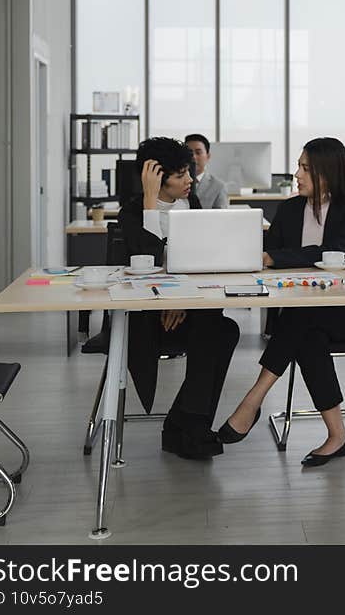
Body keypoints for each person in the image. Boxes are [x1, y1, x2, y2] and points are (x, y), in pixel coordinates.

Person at [218, 137, 345, 467]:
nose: (297, 174)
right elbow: (267, 253)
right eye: (298, 166)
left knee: (301, 320)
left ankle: (253, 399)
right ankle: (338, 436)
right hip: (302, 313)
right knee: (307, 335)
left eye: (305, 168)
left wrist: (275, 258)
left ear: (328, 173)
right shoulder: (289, 209)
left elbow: (334, 253)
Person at [118, 137, 240, 460]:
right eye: (181, 175)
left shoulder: (192, 204)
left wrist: (181, 301)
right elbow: (148, 260)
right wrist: (148, 201)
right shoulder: (131, 213)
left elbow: (198, 262)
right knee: (216, 329)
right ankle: (189, 427)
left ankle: (184, 424)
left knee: (224, 329)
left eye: (190, 172)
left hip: (188, 311)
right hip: (146, 319)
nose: (190, 180)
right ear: (156, 177)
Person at [185, 133, 229, 209]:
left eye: (198, 152)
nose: (193, 157)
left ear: (208, 156)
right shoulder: (174, 183)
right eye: (189, 153)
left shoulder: (219, 186)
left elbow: (221, 217)